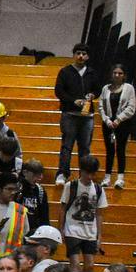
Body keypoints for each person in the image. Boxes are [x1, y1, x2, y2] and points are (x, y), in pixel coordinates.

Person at [53, 43, 95, 183]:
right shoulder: (65, 72)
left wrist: (92, 95)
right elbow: (58, 92)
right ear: (73, 55)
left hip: (87, 116)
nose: (80, 56)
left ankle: (84, 175)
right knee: (67, 146)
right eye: (78, 53)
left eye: (83, 53)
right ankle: (63, 174)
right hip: (69, 114)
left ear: (87, 56)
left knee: (85, 148)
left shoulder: (92, 73)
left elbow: (98, 89)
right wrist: (73, 101)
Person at [61, 155, 105, 272]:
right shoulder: (71, 186)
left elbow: (99, 214)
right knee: (75, 265)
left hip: (90, 232)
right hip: (72, 229)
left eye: (92, 174)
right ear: (81, 170)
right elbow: (63, 209)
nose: (90, 177)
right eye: (87, 173)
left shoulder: (98, 189)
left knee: (90, 265)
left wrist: (99, 236)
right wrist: (61, 229)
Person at [98, 64, 136, 188]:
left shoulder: (129, 88)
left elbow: (131, 107)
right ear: (111, 74)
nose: (117, 75)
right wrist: (107, 120)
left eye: (120, 73)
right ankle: (107, 177)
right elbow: (101, 106)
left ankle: (120, 178)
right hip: (108, 124)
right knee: (109, 150)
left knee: (120, 149)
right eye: (115, 73)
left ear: (124, 75)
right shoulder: (106, 88)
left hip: (123, 124)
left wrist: (119, 119)